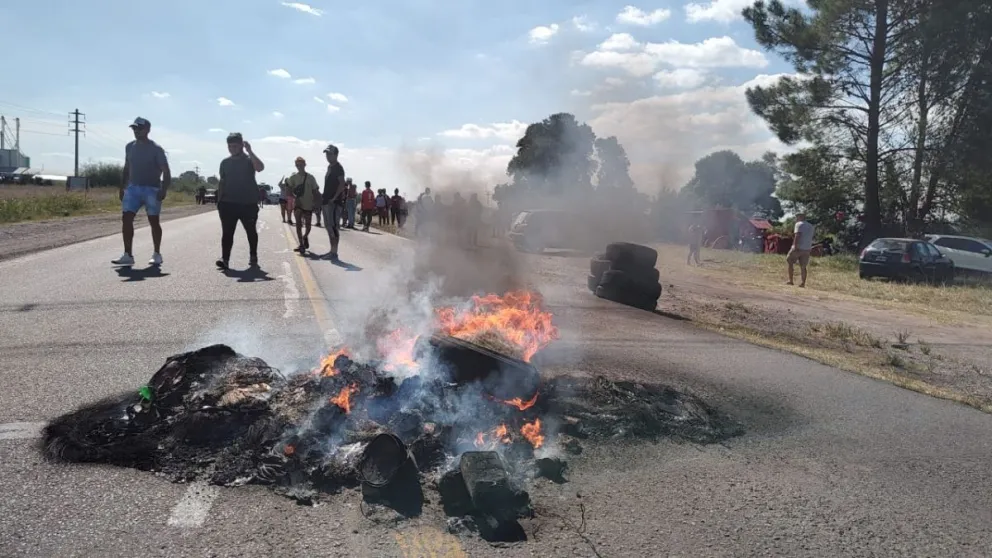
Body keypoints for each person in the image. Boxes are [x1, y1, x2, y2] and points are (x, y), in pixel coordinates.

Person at [113, 117, 171, 266]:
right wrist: (122, 187)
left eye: (139, 128)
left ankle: (157, 253)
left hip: (152, 189)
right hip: (133, 188)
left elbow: (166, 170)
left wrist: (163, 189)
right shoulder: (129, 147)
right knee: (126, 218)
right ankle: (128, 255)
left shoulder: (156, 149)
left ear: (147, 130)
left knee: (153, 221)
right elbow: (127, 167)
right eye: (134, 129)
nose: (136, 131)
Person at [215, 132, 265, 270]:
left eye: (235, 146)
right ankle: (225, 259)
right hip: (228, 203)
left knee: (251, 231)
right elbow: (222, 182)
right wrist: (219, 201)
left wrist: (250, 151)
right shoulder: (225, 163)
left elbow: (260, 168)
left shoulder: (249, 160)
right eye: (230, 146)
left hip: (248, 203)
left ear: (242, 145)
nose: (232, 149)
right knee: (227, 233)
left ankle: (253, 256)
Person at [286, 156, 321, 254]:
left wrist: (317, 204)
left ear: (305, 165)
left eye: (301, 164)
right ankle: (301, 244)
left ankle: (304, 237)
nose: (299, 166)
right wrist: (294, 198)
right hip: (298, 205)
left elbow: (315, 191)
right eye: (297, 165)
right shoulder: (293, 178)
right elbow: (287, 190)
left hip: (308, 205)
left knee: (308, 227)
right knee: (298, 225)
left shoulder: (310, 177)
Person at [320, 144, 347, 261]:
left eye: (330, 154)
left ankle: (334, 252)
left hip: (334, 203)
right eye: (326, 154)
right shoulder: (330, 167)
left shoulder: (338, 168)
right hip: (326, 202)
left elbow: (342, 184)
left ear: (336, 154)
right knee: (328, 226)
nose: (327, 156)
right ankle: (332, 251)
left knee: (334, 227)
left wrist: (334, 198)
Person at [787, 212, 815, 287]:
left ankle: (791, 280)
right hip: (807, 248)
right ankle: (803, 283)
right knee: (803, 266)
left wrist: (794, 246)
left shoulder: (799, 224)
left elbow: (797, 236)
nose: (796, 218)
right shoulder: (811, 226)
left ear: (799, 217)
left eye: (797, 217)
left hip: (799, 247)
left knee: (789, 261)